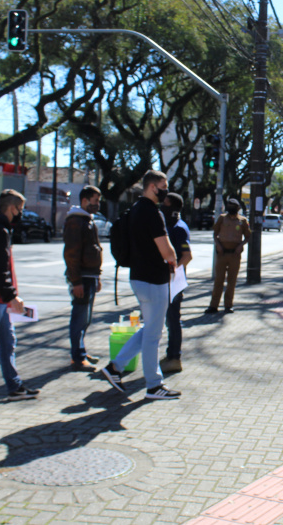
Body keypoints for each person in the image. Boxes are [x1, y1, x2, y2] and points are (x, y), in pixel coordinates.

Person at [101, 171, 181, 400]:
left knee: (150, 330)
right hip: (154, 280)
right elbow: (167, 251)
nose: (166, 191)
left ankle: (115, 367)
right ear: (153, 187)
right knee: (153, 336)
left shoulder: (135, 209)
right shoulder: (153, 213)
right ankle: (154, 386)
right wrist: (173, 260)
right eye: (164, 186)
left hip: (138, 277)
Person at [0, 189, 39, 401]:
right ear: (11, 208)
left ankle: (15, 386)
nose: (21, 213)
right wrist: (11, 295)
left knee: (8, 341)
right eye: (20, 209)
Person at [62, 185, 103, 372]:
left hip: (90, 276)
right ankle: (78, 357)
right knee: (79, 318)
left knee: (85, 318)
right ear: (85, 201)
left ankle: (81, 351)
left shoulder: (87, 220)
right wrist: (76, 281)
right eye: (95, 201)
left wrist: (97, 276)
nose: (97, 205)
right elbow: (71, 254)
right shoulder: (76, 222)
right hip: (83, 278)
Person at [160, 193, 193, 374]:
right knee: (169, 319)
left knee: (173, 319)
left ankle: (174, 357)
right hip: (167, 280)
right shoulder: (170, 225)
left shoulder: (179, 228)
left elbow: (187, 256)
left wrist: (174, 272)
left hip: (173, 281)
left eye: (165, 203)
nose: (162, 204)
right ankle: (171, 354)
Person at [205, 198, 250, 314]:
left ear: (238, 208)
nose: (231, 208)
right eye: (229, 205)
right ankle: (213, 306)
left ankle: (228, 305)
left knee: (232, 281)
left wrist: (241, 246)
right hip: (222, 253)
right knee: (218, 280)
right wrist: (218, 245)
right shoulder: (222, 218)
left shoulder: (243, 221)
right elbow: (215, 234)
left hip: (235, 254)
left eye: (233, 206)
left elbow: (248, 237)